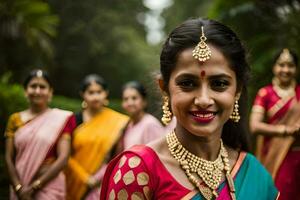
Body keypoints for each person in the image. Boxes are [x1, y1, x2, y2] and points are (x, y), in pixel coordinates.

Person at [100, 18, 279, 200]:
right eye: (187, 83)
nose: (203, 100)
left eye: (219, 83)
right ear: (165, 88)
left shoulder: (253, 173)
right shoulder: (138, 170)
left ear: (237, 91)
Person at [5, 69, 76, 200]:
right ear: (26, 91)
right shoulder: (15, 120)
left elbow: (63, 158)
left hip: (49, 187)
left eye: (42, 87)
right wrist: (18, 188)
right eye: (33, 86)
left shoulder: (62, 119)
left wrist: (34, 187)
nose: (37, 91)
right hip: (20, 186)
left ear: (50, 92)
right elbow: (9, 158)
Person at [65, 74, 129, 200]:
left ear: (106, 93)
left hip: (102, 182)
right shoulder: (73, 120)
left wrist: (98, 178)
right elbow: (66, 154)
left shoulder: (118, 121)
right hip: (73, 180)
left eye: (99, 92)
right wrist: (85, 178)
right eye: (91, 92)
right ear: (83, 94)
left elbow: (117, 155)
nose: (95, 97)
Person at [250, 48, 300, 199]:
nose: (285, 70)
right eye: (281, 65)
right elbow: (254, 126)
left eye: (290, 65)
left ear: (296, 68)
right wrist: (286, 130)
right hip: (273, 156)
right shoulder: (265, 93)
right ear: (274, 67)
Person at [113, 81, 165, 153]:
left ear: (144, 101)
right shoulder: (128, 125)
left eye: (134, 98)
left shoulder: (150, 124)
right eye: (126, 99)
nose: (130, 103)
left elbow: (159, 154)